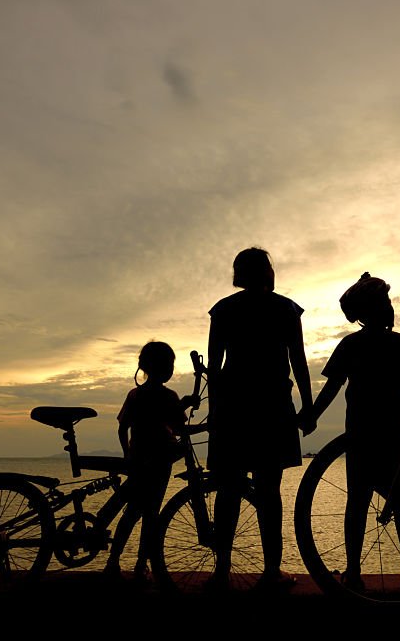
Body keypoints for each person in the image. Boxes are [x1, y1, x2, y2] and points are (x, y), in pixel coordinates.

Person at [299, 273, 400, 594]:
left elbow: (331, 388)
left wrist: (311, 416)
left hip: (360, 435)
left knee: (358, 502)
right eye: (385, 302)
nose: (390, 307)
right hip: (394, 436)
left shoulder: (351, 344)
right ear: (374, 310)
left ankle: (355, 573)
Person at [206, 247, 313, 591]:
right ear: (267, 272)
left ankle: (221, 571)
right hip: (272, 405)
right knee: (269, 491)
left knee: (228, 490)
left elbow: (214, 367)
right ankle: (271, 571)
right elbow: (298, 360)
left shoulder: (223, 310)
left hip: (232, 407)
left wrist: (214, 411)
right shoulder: (285, 309)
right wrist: (308, 404)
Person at [105, 341, 198, 582]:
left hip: (138, 462)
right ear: (165, 368)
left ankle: (113, 561)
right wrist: (185, 404)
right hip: (159, 464)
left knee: (132, 512)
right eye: (170, 364)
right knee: (150, 515)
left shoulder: (135, 395)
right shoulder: (169, 397)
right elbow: (178, 427)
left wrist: (127, 454)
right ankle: (139, 565)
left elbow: (122, 428)